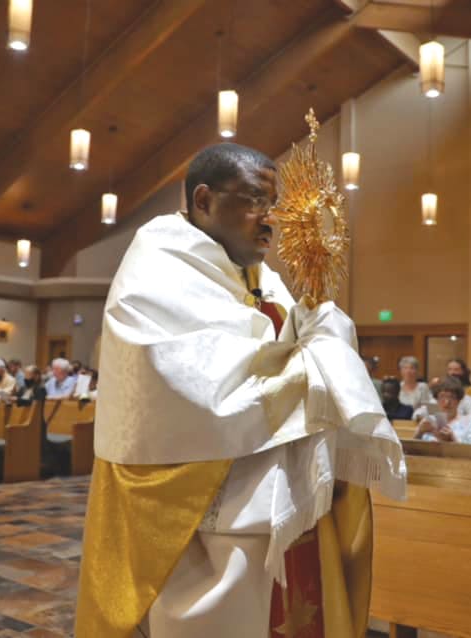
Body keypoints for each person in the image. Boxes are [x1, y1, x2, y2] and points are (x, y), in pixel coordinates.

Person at [75, 143, 405, 638]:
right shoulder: (155, 270)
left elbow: (281, 354)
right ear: (204, 200)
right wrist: (314, 366)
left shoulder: (260, 277)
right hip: (198, 516)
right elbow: (196, 390)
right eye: (255, 201)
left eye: (274, 205)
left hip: (277, 503)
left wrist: (321, 336)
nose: (271, 221)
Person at [412, 376, 471, 444]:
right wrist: (419, 433)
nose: (446, 402)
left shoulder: (470, 424)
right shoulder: (428, 421)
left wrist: (452, 440)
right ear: (436, 399)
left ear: (458, 400)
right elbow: (411, 451)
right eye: (442, 396)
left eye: (451, 397)